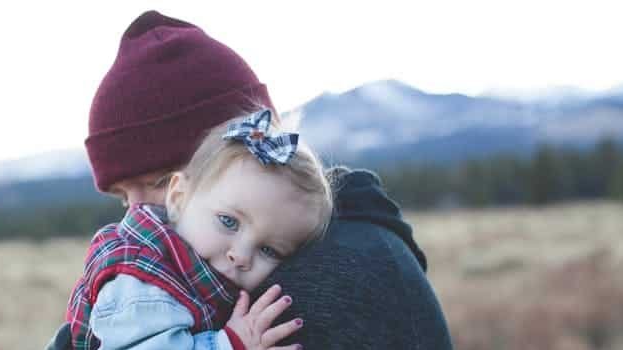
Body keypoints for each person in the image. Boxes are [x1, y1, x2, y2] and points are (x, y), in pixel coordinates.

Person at [47, 10, 453, 350]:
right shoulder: (156, 272)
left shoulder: (328, 279)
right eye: (122, 197)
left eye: (157, 181)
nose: (137, 213)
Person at [64, 109, 332, 349]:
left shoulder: (192, 271)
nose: (240, 256)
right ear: (179, 196)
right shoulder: (142, 281)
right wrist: (230, 344)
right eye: (228, 221)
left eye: (268, 249)